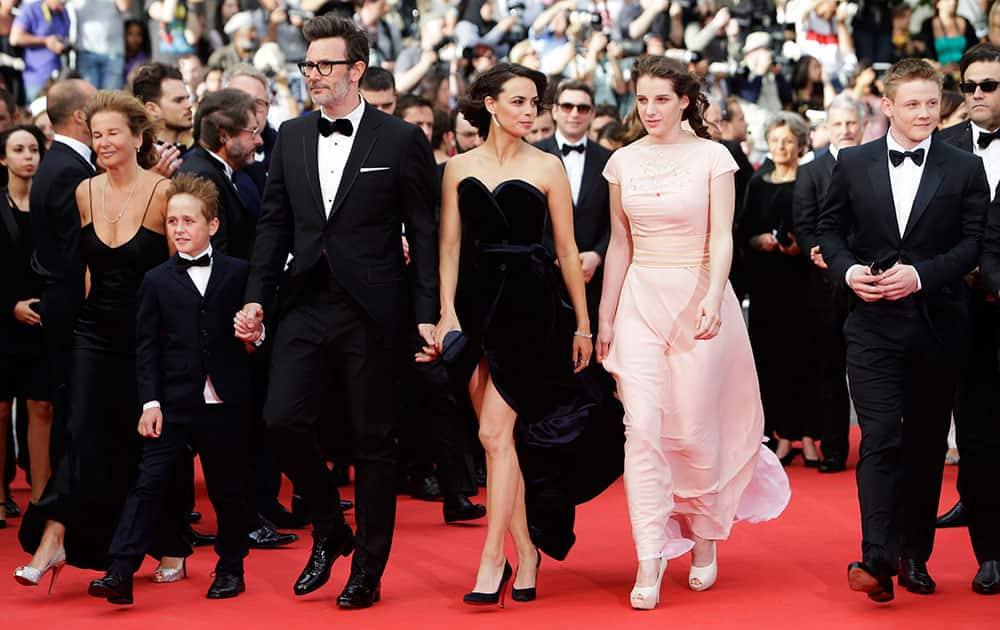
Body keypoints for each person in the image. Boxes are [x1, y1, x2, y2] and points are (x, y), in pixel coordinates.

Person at [234, 15, 438, 609]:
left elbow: (423, 234)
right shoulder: (291, 136)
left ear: (356, 70)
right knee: (280, 420)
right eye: (308, 65)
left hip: (373, 309)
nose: (314, 75)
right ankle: (330, 525)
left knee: (374, 441)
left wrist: (427, 310)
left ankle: (368, 568)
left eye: (326, 65)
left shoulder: (400, 140)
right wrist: (255, 296)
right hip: (303, 301)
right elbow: (273, 226)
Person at [596, 55, 790, 610]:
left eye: (661, 98)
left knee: (694, 425)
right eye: (641, 98)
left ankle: (704, 537)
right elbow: (620, 244)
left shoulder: (714, 156)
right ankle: (649, 557)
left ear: (684, 100)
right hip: (639, 301)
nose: (649, 109)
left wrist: (711, 297)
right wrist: (607, 316)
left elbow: (722, 236)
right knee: (643, 431)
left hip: (701, 297)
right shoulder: (623, 162)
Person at [430, 62, 623, 607]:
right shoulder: (456, 168)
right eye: (518, 101)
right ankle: (527, 552)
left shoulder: (548, 166)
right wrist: (446, 311)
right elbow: (449, 245)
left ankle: (493, 560)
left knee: (495, 434)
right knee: (497, 442)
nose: (529, 110)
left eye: (534, 102)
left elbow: (566, 250)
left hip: (528, 307)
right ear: (490, 104)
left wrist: (583, 324)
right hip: (473, 306)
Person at [817, 58, 988, 603]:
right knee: (880, 437)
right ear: (887, 106)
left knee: (925, 445)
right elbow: (830, 228)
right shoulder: (854, 161)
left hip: (939, 325)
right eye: (911, 103)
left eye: (931, 103)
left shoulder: (964, 167)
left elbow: (971, 243)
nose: (922, 113)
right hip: (871, 327)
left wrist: (919, 275)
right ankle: (876, 557)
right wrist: (847, 271)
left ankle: (914, 555)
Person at [14, 89, 182, 590]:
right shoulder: (85, 191)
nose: (103, 142)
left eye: (113, 134)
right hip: (93, 332)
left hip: (147, 336)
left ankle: (169, 542)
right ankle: (54, 539)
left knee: (146, 441)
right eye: (97, 135)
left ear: (137, 137)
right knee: (82, 432)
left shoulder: (163, 193)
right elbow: (90, 269)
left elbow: (177, 276)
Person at [87, 173, 256, 605]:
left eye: (188, 221)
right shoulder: (157, 280)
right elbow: (145, 348)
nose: (179, 229)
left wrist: (254, 336)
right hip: (173, 402)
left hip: (225, 401)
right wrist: (150, 401)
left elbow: (260, 332)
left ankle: (230, 569)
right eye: (173, 221)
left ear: (212, 225)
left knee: (228, 489)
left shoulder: (240, 273)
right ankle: (120, 572)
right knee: (148, 484)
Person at [934, 42, 1000, 594]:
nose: (976, 95)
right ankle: (990, 550)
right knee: (975, 430)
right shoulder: (943, 146)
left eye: (989, 86)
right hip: (958, 307)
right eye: (970, 85)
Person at [792, 94, 867, 474]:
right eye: (838, 124)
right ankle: (834, 448)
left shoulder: (879, 163)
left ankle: (878, 449)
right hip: (824, 287)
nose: (846, 130)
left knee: (873, 369)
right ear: (828, 128)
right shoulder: (810, 171)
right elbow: (803, 225)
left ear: (863, 124)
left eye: (851, 123)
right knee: (830, 369)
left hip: (874, 282)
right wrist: (814, 251)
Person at [26, 79, 96, 483]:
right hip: (73, 306)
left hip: (66, 302)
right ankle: (67, 505)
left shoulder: (63, 163)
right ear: (81, 116)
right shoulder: (67, 169)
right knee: (73, 407)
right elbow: (77, 251)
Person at [739, 112, 815, 465]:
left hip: (805, 283)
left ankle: (810, 436)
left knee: (806, 357)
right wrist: (761, 241)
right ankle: (781, 435)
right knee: (772, 359)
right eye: (774, 141)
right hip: (769, 284)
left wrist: (801, 245)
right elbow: (744, 231)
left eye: (787, 141)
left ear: (800, 144)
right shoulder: (758, 182)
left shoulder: (812, 179)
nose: (780, 147)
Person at [0, 125, 51, 528]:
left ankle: (40, 499)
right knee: (0, 409)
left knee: (41, 406)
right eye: (18, 149)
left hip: (42, 317)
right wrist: (9, 306)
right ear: (3, 158)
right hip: (3, 319)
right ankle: (0, 495)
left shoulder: (49, 202)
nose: (28, 156)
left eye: (33, 148)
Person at [533, 81, 611, 339]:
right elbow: (528, 217)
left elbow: (617, 219)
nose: (574, 113)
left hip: (596, 281)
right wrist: (556, 255)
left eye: (582, 107)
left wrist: (597, 255)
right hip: (545, 276)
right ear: (554, 110)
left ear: (592, 113)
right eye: (567, 106)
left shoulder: (609, 159)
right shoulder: (533, 155)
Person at [178, 88, 261, 260]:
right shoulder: (200, 177)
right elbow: (214, 255)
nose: (259, 141)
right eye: (252, 132)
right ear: (224, 136)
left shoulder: (219, 170)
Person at [130, 62, 191, 177]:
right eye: (178, 100)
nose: (188, 105)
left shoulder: (197, 150)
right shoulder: (132, 157)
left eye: (188, 98)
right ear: (151, 109)